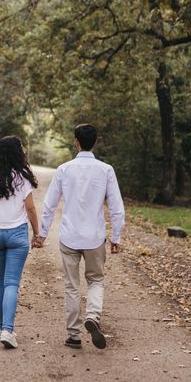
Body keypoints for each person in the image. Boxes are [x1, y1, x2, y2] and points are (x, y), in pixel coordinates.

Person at [34, 124, 125, 349]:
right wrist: (117, 236)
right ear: (94, 142)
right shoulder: (106, 170)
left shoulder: (64, 169)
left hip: (69, 237)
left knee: (72, 285)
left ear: (76, 142)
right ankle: (92, 316)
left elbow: (49, 204)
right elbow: (116, 206)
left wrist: (42, 234)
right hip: (94, 237)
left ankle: (74, 335)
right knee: (95, 280)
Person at [0, 136, 39, 349]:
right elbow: (30, 208)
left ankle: (1, 327)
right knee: (12, 282)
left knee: (1, 283)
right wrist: (37, 232)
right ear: (18, 152)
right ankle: (7, 329)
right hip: (17, 235)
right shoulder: (23, 177)